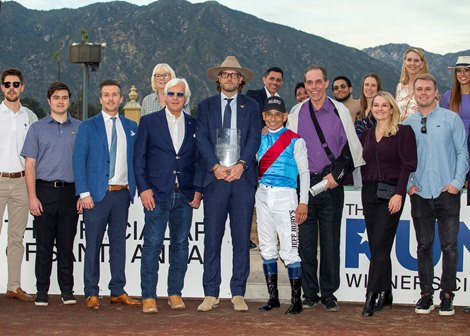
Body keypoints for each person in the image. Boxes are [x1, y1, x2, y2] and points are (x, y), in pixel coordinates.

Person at [288, 65, 364, 312]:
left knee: (331, 241)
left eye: (318, 82)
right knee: (306, 243)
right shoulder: (296, 112)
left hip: (331, 184)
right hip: (305, 186)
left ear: (326, 83)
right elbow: (288, 150)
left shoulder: (340, 111)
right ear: (305, 85)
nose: (313, 86)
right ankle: (310, 293)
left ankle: (329, 293)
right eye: (309, 82)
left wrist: (337, 175)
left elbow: (351, 150)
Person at [196, 56, 261, 312]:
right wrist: (215, 167)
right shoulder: (206, 106)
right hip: (215, 180)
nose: (230, 78)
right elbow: (201, 137)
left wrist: (242, 165)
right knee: (212, 238)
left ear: (241, 79)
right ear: (218, 78)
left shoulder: (252, 106)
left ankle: (238, 292)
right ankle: (211, 292)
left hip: (242, 180)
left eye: (235, 75)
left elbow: (255, 137)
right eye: (226, 74)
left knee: (241, 237)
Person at [134, 78, 202, 314]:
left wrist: (198, 189)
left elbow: (198, 160)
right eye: (171, 93)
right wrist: (143, 188)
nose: (175, 98)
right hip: (156, 194)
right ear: (163, 95)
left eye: (180, 94)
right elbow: (139, 158)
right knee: (152, 244)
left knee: (180, 245)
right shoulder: (149, 122)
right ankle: (149, 295)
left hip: (184, 194)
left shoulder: (194, 124)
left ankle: (174, 293)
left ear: (186, 98)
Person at [403, 74, 469, 316]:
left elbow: (463, 153)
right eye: (419, 89)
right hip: (420, 194)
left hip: (447, 193)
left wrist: (456, 183)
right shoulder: (407, 123)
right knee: (423, 246)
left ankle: (448, 295)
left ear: (436, 92)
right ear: (415, 93)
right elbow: (404, 160)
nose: (423, 93)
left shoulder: (451, 119)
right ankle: (426, 295)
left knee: (450, 247)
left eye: (427, 89)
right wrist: (409, 185)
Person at [73, 79, 140, 311]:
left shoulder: (131, 127)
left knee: (119, 245)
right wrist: (83, 193)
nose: (111, 98)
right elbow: (78, 161)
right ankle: (91, 292)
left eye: (115, 95)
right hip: (95, 197)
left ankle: (117, 290)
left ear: (121, 99)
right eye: (106, 95)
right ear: (100, 99)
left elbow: (136, 160)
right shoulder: (88, 126)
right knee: (92, 245)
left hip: (121, 195)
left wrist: (135, 187)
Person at [21, 82, 81, 306]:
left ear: (69, 100)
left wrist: (82, 194)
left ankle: (67, 290)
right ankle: (42, 291)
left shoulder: (80, 127)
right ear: (49, 101)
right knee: (44, 245)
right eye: (56, 97)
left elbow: (83, 162)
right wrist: (32, 197)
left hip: (70, 193)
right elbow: (30, 165)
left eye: (64, 97)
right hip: (44, 191)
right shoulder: (37, 129)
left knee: (66, 245)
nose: (60, 101)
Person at [359, 91, 417, 317]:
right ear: (371, 108)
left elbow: (408, 165)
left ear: (392, 109)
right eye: (376, 105)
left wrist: (399, 193)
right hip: (369, 193)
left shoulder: (404, 132)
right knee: (376, 246)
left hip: (391, 193)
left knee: (381, 244)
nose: (380, 109)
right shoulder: (366, 134)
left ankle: (370, 296)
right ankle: (387, 292)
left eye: (385, 105)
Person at [256, 96, 309, 315]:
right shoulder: (258, 138)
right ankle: (273, 298)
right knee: (267, 246)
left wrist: (303, 201)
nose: (273, 119)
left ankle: (296, 300)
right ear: (263, 116)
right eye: (269, 114)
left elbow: (304, 173)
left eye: (278, 115)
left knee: (290, 249)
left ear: (285, 116)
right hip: (262, 195)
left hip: (286, 197)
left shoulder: (296, 140)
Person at [0, 68, 37, 303]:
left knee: (16, 237)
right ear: (2, 88)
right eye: (7, 84)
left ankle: (13, 286)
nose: (11, 88)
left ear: (22, 87)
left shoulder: (30, 117)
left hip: (22, 182)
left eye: (16, 84)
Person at [396, 47, 429, 121]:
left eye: (416, 60)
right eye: (409, 60)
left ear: (422, 64)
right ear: (405, 63)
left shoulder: (429, 87)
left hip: (420, 131)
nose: (412, 63)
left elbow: (434, 115)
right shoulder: (400, 87)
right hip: (400, 131)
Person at [442, 56, 470, 132]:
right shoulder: (448, 96)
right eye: (459, 71)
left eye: (466, 70)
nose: (462, 74)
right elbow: (444, 123)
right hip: (454, 141)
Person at [354, 74, 382, 139]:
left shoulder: (380, 112)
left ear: (378, 89)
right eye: (366, 85)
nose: (369, 88)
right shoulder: (359, 115)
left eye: (373, 85)